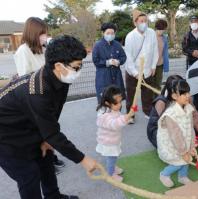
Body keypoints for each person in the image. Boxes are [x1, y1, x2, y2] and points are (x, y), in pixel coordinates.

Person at [0, 35, 97, 199]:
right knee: (29, 175)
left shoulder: (60, 79)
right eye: (77, 67)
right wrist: (83, 159)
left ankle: (53, 196)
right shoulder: (37, 92)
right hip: (6, 136)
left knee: (46, 160)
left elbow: (54, 113)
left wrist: (46, 139)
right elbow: (52, 133)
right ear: (59, 66)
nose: (79, 71)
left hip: (29, 125)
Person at [13, 17, 65, 173]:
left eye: (46, 33)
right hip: (34, 98)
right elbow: (24, 78)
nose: (45, 36)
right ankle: (46, 162)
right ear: (33, 32)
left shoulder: (43, 48)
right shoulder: (23, 51)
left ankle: (50, 157)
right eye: (42, 33)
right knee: (40, 131)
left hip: (47, 95)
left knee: (49, 129)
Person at [147, 75, 198, 148]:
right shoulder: (161, 102)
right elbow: (168, 126)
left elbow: (194, 115)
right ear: (173, 94)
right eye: (183, 93)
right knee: (174, 148)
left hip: (178, 127)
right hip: (159, 130)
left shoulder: (187, 98)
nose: (188, 95)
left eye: (186, 92)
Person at [157, 79, 196, 187]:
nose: (188, 95)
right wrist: (183, 152)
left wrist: (192, 145)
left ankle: (182, 177)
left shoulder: (188, 108)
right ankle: (164, 174)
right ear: (174, 96)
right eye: (184, 94)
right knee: (178, 162)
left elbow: (191, 128)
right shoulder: (171, 114)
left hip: (184, 140)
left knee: (187, 160)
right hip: (171, 143)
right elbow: (175, 136)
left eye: (188, 92)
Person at [124, 9, 159, 122]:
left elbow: (155, 50)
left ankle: (148, 111)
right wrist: (135, 73)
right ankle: (131, 115)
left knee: (147, 94)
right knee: (131, 95)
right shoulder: (130, 36)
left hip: (147, 69)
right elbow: (128, 58)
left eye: (145, 21)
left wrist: (153, 66)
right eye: (141, 21)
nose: (144, 23)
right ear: (135, 23)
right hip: (132, 71)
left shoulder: (151, 32)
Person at [95, 85, 135, 182]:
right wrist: (127, 116)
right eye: (117, 103)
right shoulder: (104, 115)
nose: (120, 105)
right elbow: (115, 124)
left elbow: (118, 119)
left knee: (113, 156)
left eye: (121, 101)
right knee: (111, 157)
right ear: (107, 103)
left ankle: (112, 167)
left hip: (113, 139)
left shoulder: (111, 109)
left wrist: (127, 117)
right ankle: (110, 174)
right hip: (108, 141)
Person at [92, 22, 127, 103]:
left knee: (117, 100)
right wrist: (108, 62)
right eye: (108, 33)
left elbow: (123, 57)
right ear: (103, 33)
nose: (110, 35)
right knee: (105, 102)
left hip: (116, 76)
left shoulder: (117, 44)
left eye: (112, 33)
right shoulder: (98, 45)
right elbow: (96, 61)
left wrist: (118, 61)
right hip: (103, 77)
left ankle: (117, 115)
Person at [153, 19, 169, 94]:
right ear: (156, 28)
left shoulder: (164, 38)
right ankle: (150, 102)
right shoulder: (151, 37)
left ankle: (157, 101)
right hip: (151, 65)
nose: (162, 31)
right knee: (150, 84)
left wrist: (166, 66)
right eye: (160, 29)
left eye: (163, 29)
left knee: (158, 84)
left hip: (160, 64)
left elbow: (165, 52)